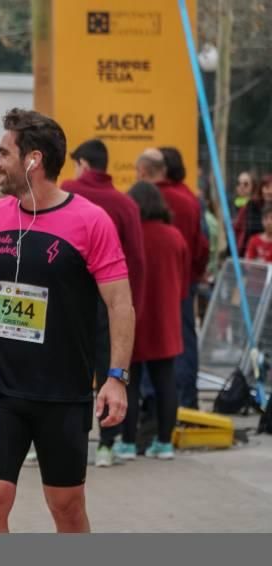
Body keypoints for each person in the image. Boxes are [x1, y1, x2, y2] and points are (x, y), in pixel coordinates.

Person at [0, 108, 133, 533]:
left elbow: (121, 303)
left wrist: (116, 377)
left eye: (3, 152)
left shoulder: (90, 221)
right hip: (1, 388)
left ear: (33, 160)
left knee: (66, 506)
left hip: (63, 393)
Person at [61, 138, 146, 467]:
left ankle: (61, 442)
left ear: (82, 163)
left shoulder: (68, 191)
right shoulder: (125, 204)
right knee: (110, 372)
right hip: (109, 299)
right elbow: (136, 259)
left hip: (66, 300)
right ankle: (107, 446)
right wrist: (128, 307)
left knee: (67, 372)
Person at [119, 181, 188, 460]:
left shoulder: (130, 236)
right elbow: (184, 283)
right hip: (166, 318)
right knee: (165, 382)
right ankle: (164, 442)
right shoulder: (175, 236)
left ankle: (127, 442)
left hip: (135, 316)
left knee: (129, 382)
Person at [137, 147, 208, 409]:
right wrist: (193, 274)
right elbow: (202, 245)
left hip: (145, 284)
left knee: (145, 344)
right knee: (182, 341)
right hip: (182, 282)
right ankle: (186, 401)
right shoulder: (190, 200)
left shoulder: (141, 199)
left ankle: (149, 406)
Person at [234, 173, 269, 257]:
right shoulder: (234, 205)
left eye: (246, 184)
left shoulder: (253, 206)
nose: (241, 187)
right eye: (239, 183)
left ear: (253, 187)